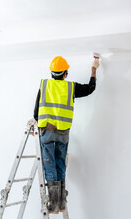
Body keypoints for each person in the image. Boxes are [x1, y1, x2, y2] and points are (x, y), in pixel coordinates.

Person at [28, 55, 99, 214]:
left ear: (52, 72)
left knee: (49, 163)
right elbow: (90, 89)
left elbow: (37, 106)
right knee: (60, 163)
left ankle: (53, 205)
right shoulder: (71, 87)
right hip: (63, 132)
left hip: (47, 130)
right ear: (65, 73)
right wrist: (94, 69)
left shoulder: (45, 85)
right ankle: (60, 204)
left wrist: (35, 120)